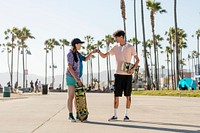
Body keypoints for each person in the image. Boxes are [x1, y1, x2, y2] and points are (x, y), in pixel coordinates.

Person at [97, 30, 139, 121]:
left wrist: (133, 69)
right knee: (116, 95)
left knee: (128, 95)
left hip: (127, 75)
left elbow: (137, 60)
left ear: (121, 37)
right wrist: (98, 51)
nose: (115, 39)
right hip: (118, 75)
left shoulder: (130, 47)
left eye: (116, 37)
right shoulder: (115, 47)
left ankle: (126, 115)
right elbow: (104, 56)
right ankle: (115, 115)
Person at [66, 38, 97, 122]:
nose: (81, 45)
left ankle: (77, 114)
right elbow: (70, 67)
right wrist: (77, 79)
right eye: (80, 44)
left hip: (77, 78)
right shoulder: (70, 54)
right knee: (71, 96)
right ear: (76, 44)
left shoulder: (78, 54)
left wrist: (91, 53)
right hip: (71, 77)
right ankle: (70, 114)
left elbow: (86, 59)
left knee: (77, 97)